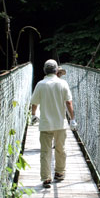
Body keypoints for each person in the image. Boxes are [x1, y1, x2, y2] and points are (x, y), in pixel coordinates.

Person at [31, 59, 77, 188]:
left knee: (45, 151)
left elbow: (34, 103)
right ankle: (59, 172)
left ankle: (46, 178)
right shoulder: (63, 84)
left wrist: (34, 115)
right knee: (60, 149)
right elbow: (69, 102)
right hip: (60, 124)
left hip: (45, 124)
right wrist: (72, 119)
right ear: (57, 70)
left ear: (45, 71)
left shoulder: (40, 84)